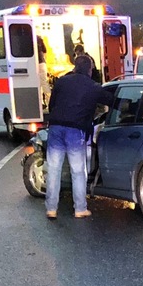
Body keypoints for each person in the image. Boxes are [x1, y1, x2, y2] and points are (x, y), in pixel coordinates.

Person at [44, 54, 114, 219]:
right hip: (75, 131)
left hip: (55, 128)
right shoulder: (93, 86)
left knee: (54, 169)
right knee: (77, 170)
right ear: (89, 70)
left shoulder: (61, 81)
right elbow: (112, 101)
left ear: (74, 67)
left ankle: (51, 209)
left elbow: (51, 105)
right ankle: (80, 208)